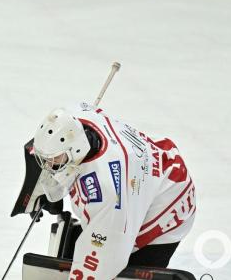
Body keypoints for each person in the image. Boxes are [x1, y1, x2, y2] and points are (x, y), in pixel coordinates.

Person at [31, 102, 196, 279]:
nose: (48, 165)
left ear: (76, 150)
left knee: (118, 267)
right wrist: (40, 189)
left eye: (53, 159)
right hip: (146, 176)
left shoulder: (108, 190)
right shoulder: (76, 117)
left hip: (168, 204)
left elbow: (98, 263)